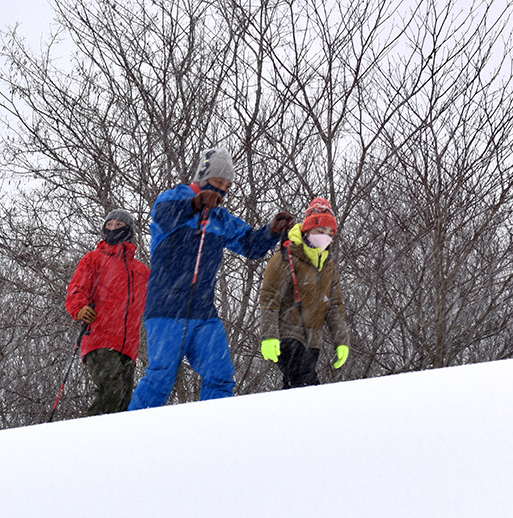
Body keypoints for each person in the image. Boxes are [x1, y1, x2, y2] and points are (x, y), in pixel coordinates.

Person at [128, 147, 295, 410]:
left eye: (227, 186)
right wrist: (195, 204)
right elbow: (163, 216)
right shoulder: (174, 198)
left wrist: (272, 231)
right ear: (203, 178)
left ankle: (213, 427)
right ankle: (132, 429)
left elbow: (251, 245)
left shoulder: (221, 218)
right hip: (166, 308)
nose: (222, 190)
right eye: (218, 182)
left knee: (221, 375)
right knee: (161, 379)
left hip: (203, 312)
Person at [65, 208, 151, 415]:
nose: (113, 228)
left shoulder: (141, 271)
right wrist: (79, 308)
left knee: (123, 401)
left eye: (119, 225)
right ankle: (92, 433)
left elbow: (156, 303)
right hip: (100, 338)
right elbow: (77, 289)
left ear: (128, 230)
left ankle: (116, 436)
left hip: (128, 345)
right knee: (110, 391)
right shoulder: (93, 259)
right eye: (109, 225)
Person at [259, 197, 351, 388]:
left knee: (295, 388)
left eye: (330, 233)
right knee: (306, 385)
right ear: (307, 230)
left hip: (313, 341)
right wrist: (269, 335)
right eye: (320, 231)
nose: (325, 237)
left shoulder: (328, 266)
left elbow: (334, 306)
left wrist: (341, 341)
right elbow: (269, 298)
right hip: (288, 336)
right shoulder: (286, 258)